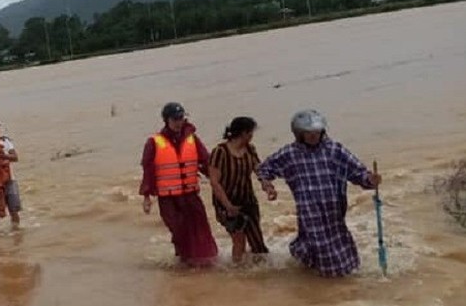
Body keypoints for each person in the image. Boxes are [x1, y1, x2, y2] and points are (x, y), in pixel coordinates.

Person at [256, 109, 381, 277]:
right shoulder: (290, 153)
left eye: (316, 132)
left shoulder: (335, 150)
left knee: (345, 254)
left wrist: (371, 180)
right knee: (325, 255)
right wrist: (267, 185)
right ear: (299, 134)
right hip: (309, 211)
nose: (313, 136)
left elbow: (358, 173)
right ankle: (330, 290)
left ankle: (312, 269)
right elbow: (264, 168)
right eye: (308, 133)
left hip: (335, 211)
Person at [139, 102, 218, 266]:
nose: (179, 122)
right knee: (179, 232)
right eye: (175, 119)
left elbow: (206, 162)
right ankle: (185, 264)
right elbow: (148, 170)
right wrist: (146, 197)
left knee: (201, 229)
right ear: (166, 120)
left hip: (190, 195)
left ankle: (209, 262)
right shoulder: (154, 142)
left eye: (181, 118)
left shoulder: (192, 139)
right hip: (169, 200)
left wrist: (218, 181)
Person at [208, 117, 269, 263]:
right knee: (239, 239)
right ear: (243, 133)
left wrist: (267, 186)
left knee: (258, 243)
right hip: (226, 203)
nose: (251, 136)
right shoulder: (220, 152)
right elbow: (214, 182)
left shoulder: (250, 149)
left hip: (248, 201)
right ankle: (237, 273)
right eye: (250, 133)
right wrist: (228, 205)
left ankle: (259, 275)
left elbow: (259, 170)